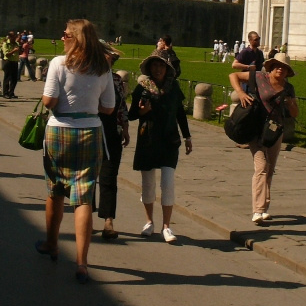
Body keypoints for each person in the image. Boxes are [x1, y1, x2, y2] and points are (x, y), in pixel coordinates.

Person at [37, 19, 115, 284]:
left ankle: (51, 243)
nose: (62, 37)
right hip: (90, 130)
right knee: (84, 195)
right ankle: (82, 262)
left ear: (76, 38)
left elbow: (49, 101)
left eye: (66, 34)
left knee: (56, 188)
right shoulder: (102, 66)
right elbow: (109, 107)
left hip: (60, 129)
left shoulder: (59, 63)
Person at [128, 55, 192, 244]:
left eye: (161, 66)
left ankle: (166, 225)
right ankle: (149, 222)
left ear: (167, 69)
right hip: (148, 139)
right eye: (154, 66)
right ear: (149, 69)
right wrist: (142, 111)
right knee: (148, 184)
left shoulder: (174, 88)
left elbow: (180, 113)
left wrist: (187, 136)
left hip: (169, 140)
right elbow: (132, 114)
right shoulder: (143, 87)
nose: (157, 69)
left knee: (168, 183)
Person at [229, 52, 299, 224]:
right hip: (256, 128)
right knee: (261, 167)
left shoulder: (288, 88)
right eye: (277, 66)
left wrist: (291, 104)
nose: (280, 70)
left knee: (270, 169)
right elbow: (234, 75)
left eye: (284, 68)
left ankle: (264, 208)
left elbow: (294, 114)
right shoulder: (260, 77)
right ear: (271, 67)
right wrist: (241, 93)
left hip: (275, 131)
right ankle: (258, 210)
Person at [97, 51, 130, 240]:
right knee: (87, 177)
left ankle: (108, 220)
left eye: (110, 58)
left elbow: (122, 106)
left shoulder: (116, 80)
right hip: (90, 131)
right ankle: (84, 214)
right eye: (105, 56)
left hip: (113, 132)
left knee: (109, 176)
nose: (108, 59)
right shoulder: (88, 77)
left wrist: (125, 127)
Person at [0, 31, 21, 99]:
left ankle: (11, 92)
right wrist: (14, 50)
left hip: (15, 62)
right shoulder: (5, 44)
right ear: (10, 37)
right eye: (13, 37)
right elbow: (7, 54)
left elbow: (19, 52)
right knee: (7, 78)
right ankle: (5, 93)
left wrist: (21, 50)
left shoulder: (16, 43)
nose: (15, 38)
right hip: (8, 62)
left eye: (15, 36)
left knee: (14, 79)